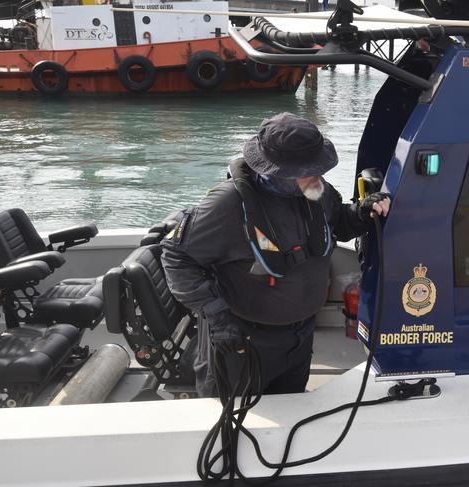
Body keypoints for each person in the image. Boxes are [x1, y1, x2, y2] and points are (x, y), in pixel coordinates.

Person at [161, 112, 390, 397]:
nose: (317, 175)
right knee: (233, 428)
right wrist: (218, 318)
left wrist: (362, 212)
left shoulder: (316, 190)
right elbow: (176, 256)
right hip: (244, 342)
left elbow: (337, 223)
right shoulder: (227, 204)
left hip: (300, 339)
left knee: (290, 416)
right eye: (307, 170)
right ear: (274, 170)